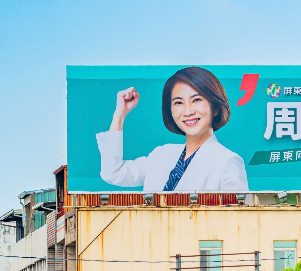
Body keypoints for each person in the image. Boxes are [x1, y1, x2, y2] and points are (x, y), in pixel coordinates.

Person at [96, 66, 248, 193]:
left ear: (215, 107)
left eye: (196, 100)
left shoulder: (228, 162)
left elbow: (236, 220)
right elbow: (113, 173)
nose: (188, 111)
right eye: (178, 102)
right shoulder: (161, 154)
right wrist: (120, 114)